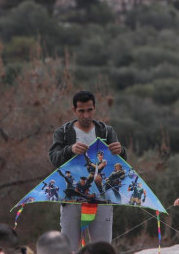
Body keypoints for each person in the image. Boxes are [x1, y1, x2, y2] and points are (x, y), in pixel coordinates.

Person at [49, 90, 127, 252]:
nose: (86, 115)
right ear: (74, 110)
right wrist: (70, 149)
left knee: (103, 247)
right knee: (69, 247)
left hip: (102, 197)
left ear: (94, 109)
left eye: (89, 110)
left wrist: (121, 151)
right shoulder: (63, 133)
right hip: (72, 199)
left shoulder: (106, 131)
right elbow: (54, 159)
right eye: (81, 111)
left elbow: (121, 165)